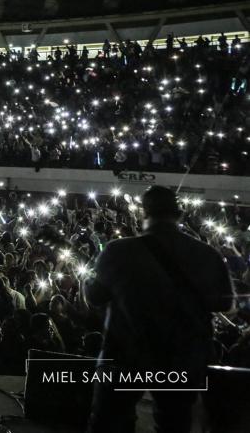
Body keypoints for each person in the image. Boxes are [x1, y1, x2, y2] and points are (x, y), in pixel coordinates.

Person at [83, 186, 234, 433]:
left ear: (143, 213)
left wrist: (89, 277)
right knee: (173, 424)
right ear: (179, 214)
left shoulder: (118, 251)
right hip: (182, 359)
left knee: (109, 422)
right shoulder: (207, 255)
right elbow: (224, 303)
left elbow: (95, 297)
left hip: (126, 356)